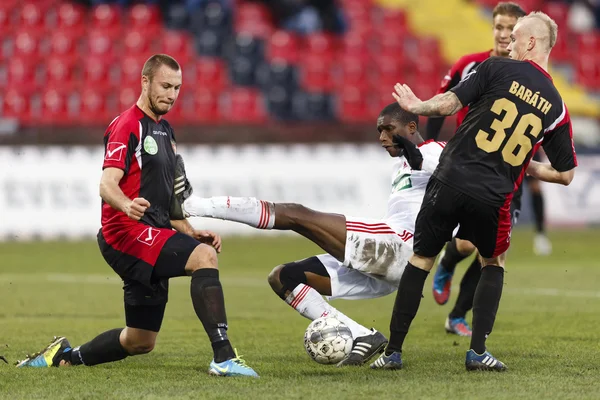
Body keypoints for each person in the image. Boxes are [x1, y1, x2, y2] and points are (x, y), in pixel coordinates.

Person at [16, 54, 259, 378]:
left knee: (140, 341)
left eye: (177, 88)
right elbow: (106, 185)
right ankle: (224, 358)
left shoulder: (166, 131)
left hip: (152, 231)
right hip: (124, 232)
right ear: (145, 82)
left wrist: (188, 230)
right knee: (204, 258)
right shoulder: (126, 125)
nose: (171, 94)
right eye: (165, 85)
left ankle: (63, 356)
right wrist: (126, 204)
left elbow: (164, 201)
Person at [371, 12, 577, 372]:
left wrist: (417, 106)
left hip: (449, 179)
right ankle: (478, 352)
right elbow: (565, 175)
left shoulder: (495, 68)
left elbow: (449, 103)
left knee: (421, 259)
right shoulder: (557, 107)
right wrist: (522, 161)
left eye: (515, 37)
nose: (508, 43)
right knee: (492, 263)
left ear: (531, 42)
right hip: (494, 197)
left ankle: (393, 353)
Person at [181, 103, 451, 367]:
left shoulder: (437, 152)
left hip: (399, 246)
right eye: (379, 131)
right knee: (284, 277)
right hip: (387, 262)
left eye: (388, 129)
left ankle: (193, 205)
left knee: (297, 215)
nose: (381, 138)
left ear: (411, 126)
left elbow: (457, 179)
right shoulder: (400, 167)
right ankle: (361, 335)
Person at [428, 2, 551, 336]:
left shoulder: (535, 76)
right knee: (467, 245)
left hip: (509, 175)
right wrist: (428, 149)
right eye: (498, 27)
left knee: (492, 254)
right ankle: (448, 262)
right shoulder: (472, 64)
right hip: (468, 170)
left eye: (510, 29)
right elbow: (441, 105)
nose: (502, 34)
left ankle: (457, 316)